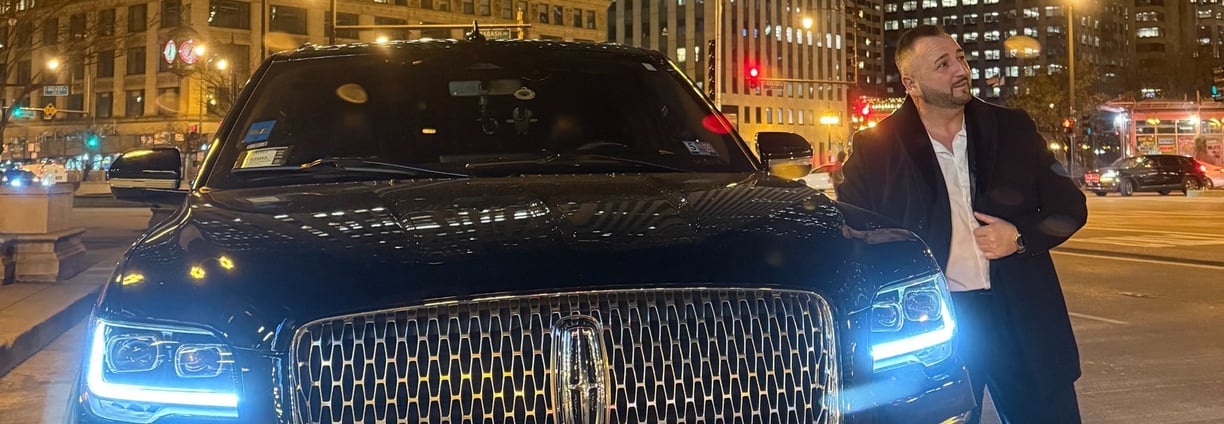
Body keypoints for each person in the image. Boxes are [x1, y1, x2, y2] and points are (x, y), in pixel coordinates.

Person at [836, 25, 1087, 423]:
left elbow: (1070, 205)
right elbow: (851, 233)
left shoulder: (1013, 129)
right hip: (931, 328)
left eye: (961, 58)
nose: (960, 69)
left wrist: (1020, 237)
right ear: (911, 83)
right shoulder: (876, 148)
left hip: (1019, 319)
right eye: (943, 64)